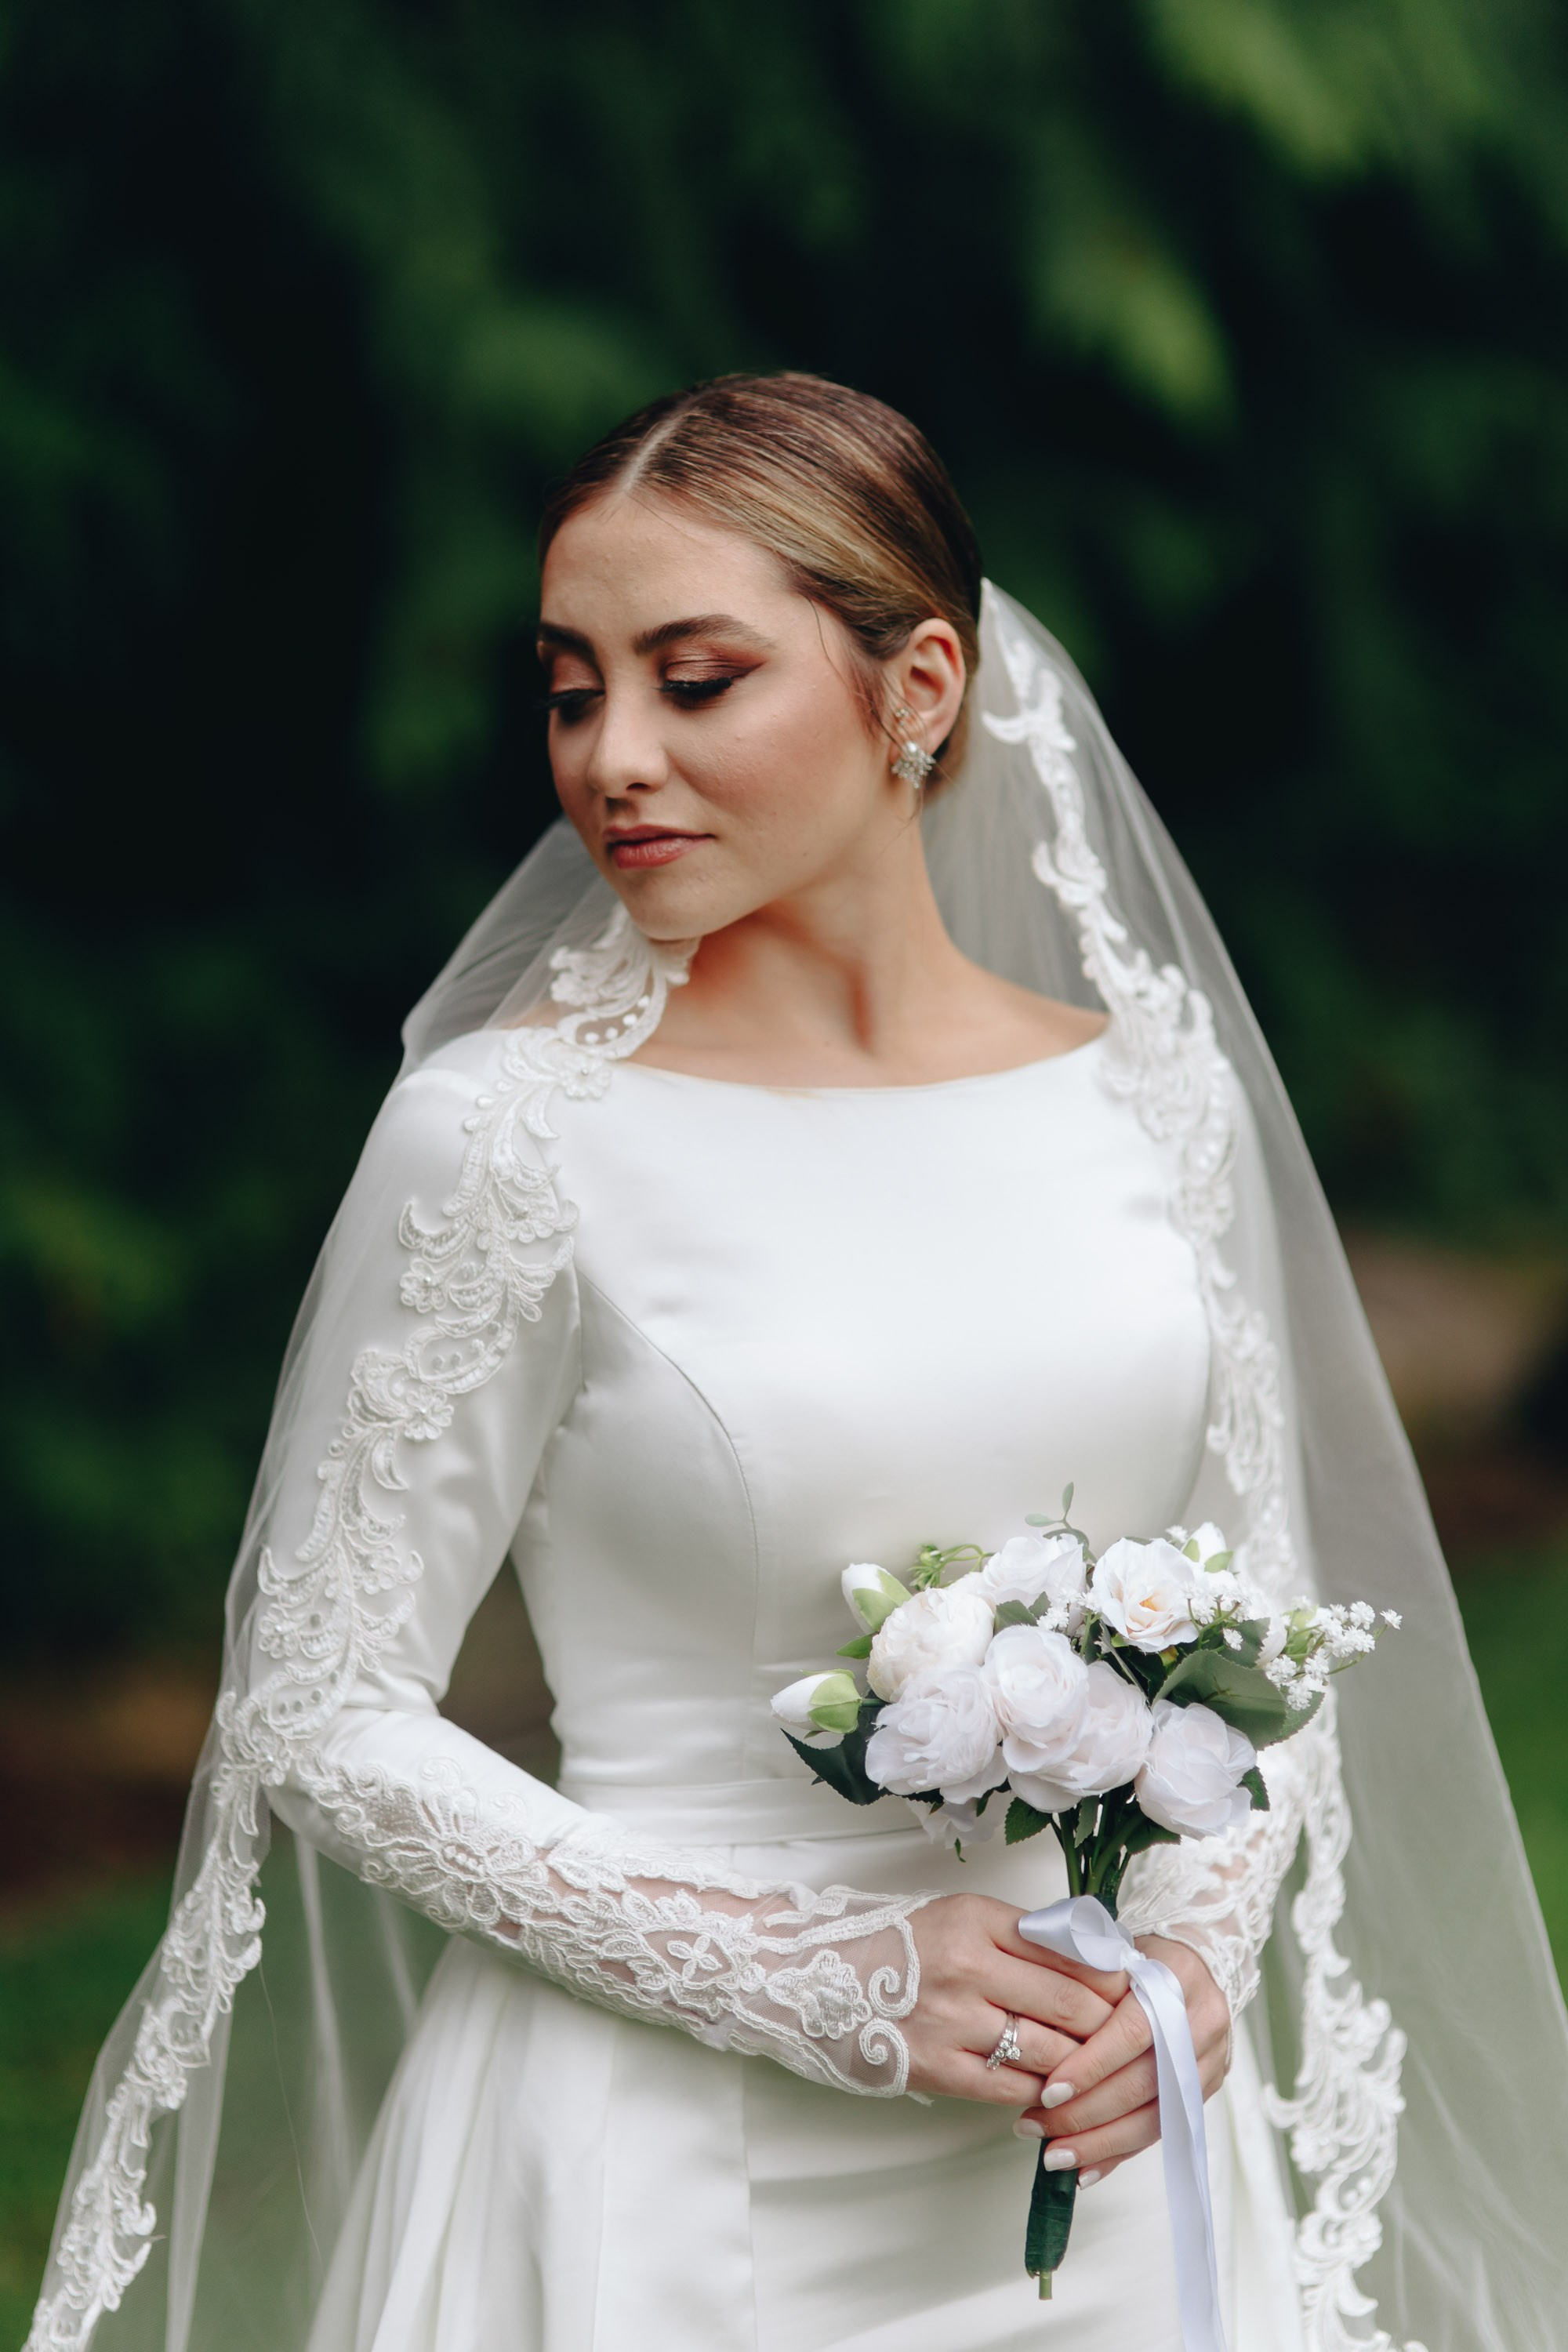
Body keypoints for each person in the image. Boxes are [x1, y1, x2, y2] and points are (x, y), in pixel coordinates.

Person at [27, 376, 1568, 2352]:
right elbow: (323, 1707)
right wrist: (828, 1979)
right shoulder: (507, 1138)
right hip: (669, 2182)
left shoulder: (1147, 1092)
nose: (613, 758)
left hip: (1102, 2170)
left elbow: (1252, 1620)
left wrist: (1184, 1968)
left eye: (696, 679)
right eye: (573, 687)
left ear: (915, 685)